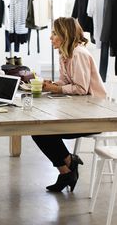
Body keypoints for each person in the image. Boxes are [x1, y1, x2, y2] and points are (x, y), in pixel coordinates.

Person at [32, 17, 106, 193]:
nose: (51, 38)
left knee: (42, 131)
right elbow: (66, 81)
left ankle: (69, 166)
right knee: (37, 129)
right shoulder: (66, 53)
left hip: (93, 115)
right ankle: (66, 169)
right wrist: (53, 84)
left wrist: (55, 89)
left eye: (54, 34)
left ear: (64, 35)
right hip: (79, 109)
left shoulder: (79, 53)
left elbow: (80, 88)